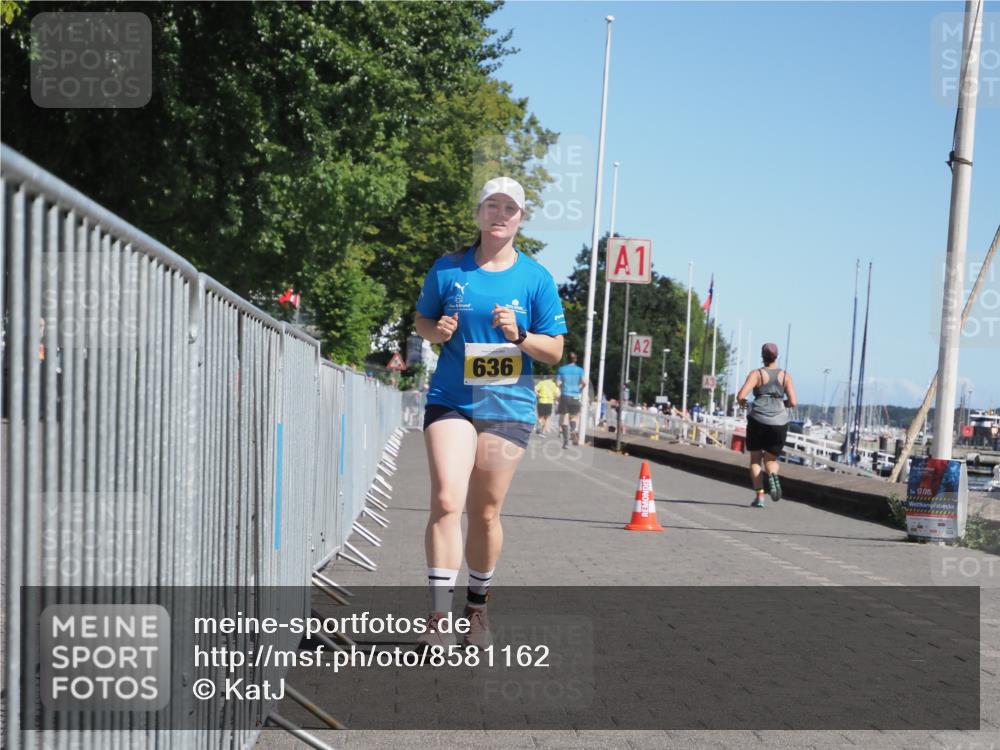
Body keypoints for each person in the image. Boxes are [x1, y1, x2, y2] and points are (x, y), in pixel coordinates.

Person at [413, 176, 566, 648]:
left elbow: (555, 350)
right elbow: (422, 320)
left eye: (510, 209)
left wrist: (519, 335)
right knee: (446, 501)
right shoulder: (448, 268)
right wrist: (436, 332)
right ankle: (439, 618)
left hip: (507, 406)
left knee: (485, 512)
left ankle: (476, 609)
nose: (500, 215)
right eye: (492, 206)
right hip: (452, 400)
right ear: (478, 213)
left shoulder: (536, 278)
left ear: (521, 218)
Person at [736, 342, 797, 508]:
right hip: (779, 422)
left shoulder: (757, 374)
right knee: (770, 459)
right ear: (776, 356)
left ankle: (760, 497)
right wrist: (780, 404)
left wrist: (743, 403)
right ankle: (772, 473)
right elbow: (793, 401)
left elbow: (741, 395)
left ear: (762, 356)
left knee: (755, 459)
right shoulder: (785, 376)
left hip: (758, 420)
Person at [556, 352, 586, 449]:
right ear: (575, 359)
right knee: (574, 417)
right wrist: (579, 389)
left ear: (567, 359)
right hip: (576, 395)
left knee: (564, 418)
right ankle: (573, 429)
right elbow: (584, 382)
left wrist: (562, 388)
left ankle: (566, 442)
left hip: (565, 395)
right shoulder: (580, 370)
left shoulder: (562, 369)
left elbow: (558, 383)